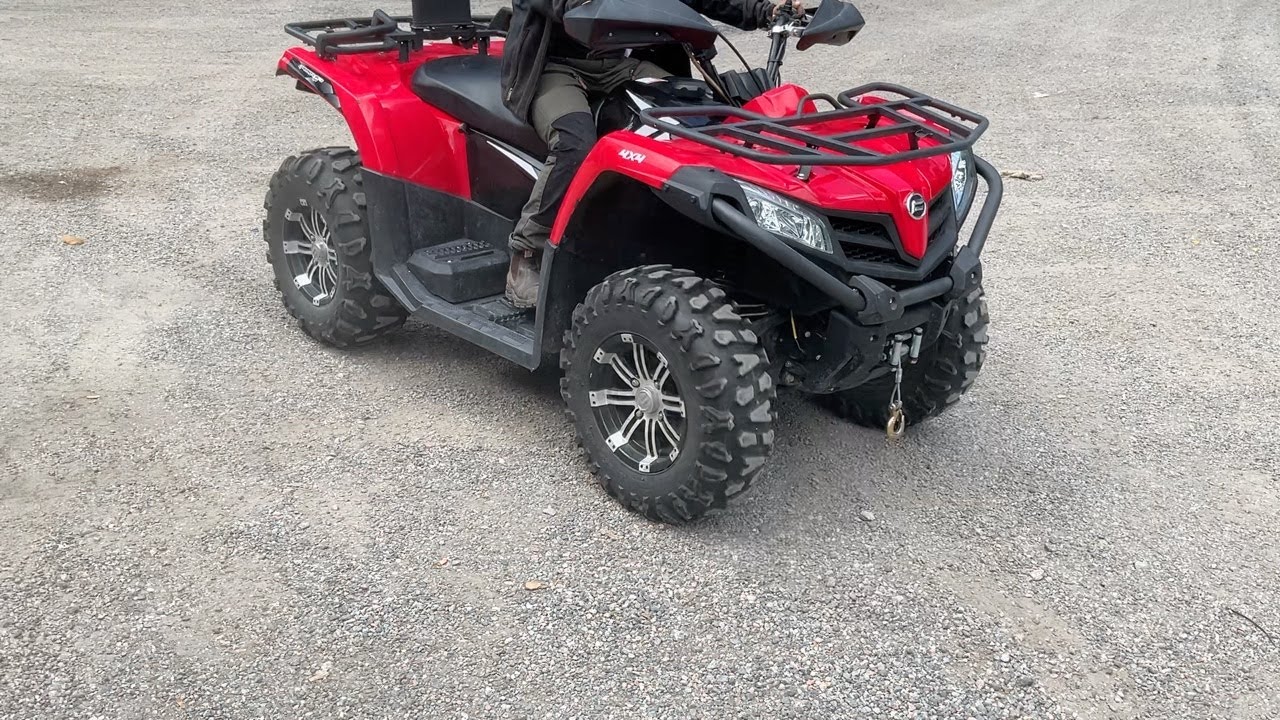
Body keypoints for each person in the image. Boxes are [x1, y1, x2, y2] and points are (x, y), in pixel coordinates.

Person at [499, 0, 800, 308]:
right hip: (555, 66)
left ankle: (708, 243)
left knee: (698, 120)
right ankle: (527, 251)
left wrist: (764, 11)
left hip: (620, 63)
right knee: (574, 145)